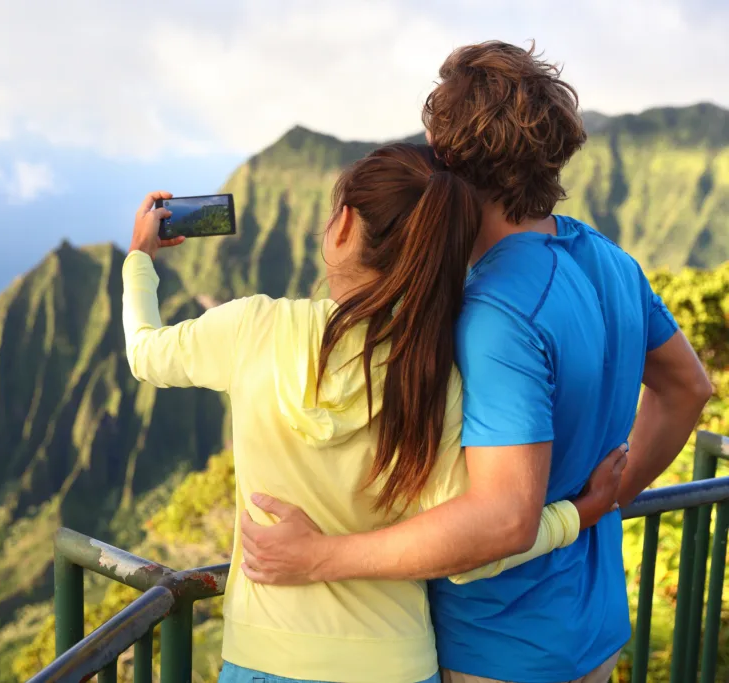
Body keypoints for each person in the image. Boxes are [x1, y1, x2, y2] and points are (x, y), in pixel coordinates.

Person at [238, 41, 713, 683]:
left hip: (497, 647)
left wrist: (319, 558)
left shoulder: (493, 312)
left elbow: (504, 517)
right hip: (593, 632)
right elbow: (687, 388)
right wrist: (608, 498)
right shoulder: (611, 263)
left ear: (450, 159)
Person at [122, 144, 626, 683]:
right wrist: (580, 512)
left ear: (342, 226)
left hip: (267, 659)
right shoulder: (437, 376)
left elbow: (146, 353)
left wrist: (140, 256)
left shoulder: (253, 328)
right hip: (399, 665)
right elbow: (476, 548)